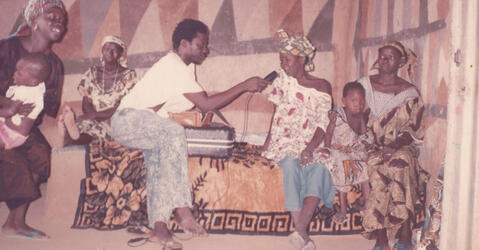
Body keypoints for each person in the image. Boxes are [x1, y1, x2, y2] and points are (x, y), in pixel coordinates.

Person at [110, 19, 269, 249]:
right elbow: (205, 103)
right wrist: (244, 85)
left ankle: (160, 229)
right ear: (184, 44)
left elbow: (198, 104)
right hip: (127, 120)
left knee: (158, 165)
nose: (206, 50)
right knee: (175, 133)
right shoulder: (173, 64)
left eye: (206, 45)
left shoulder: (186, 68)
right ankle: (183, 211)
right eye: (201, 44)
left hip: (148, 125)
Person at [260, 29, 336, 250]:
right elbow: (277, 113)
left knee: (320, 166)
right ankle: (303, 233)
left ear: (302, 59)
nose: (283, 64)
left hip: (312, 139)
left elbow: (323, 122)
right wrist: (267, 140)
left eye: (287, 59)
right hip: (285, 139)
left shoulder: (322, 86)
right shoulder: (283, 81)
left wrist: (310, 148)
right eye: (281, 59)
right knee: (291, 164)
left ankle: (300, 231)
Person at [0, 0, 66, 240]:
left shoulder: (55, 65)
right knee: (14, 164)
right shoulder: (7, 48)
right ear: (34, 20)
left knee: (44, 160)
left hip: (23, 126)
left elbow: (48, 108)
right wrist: (6, 106)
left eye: (61, 18)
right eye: (51, 16)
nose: (59, 21)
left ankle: (14, 223)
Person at [358, 41, 427, 250]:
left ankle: (405, 233)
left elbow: (415, 129)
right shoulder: (364, 85)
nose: (384, 59)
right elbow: (354, 116)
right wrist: (369, 141)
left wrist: (393, 146)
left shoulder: (410, 93)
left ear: (401, 62)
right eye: (381, 55)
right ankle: (381, 237)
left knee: (402, 162)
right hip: (370, 144)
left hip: (400, 145)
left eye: (390, 56)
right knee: (376, 164)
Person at [58, 35, 137, 145]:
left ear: (120, 54)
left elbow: (124, 107)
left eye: (115, 49)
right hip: (94, 119)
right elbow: (86, 103)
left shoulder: (129, 75)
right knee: (87, 125)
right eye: (107, 48)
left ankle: (71, 136)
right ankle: (73, 133)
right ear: (102, 51)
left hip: (117, 119)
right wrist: (93, 117)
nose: (110, 52)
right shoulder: (91, 73)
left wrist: (95, 115)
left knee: (103, 129)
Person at [313, 81, 373, 224]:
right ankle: (343, 209)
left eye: (361, 100)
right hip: (337, 149)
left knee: (366, 168)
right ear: (344, 101)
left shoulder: (361, 115)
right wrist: (328, 148)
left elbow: (364, 136)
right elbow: (328, 133)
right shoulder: (336, 115)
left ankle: (368, 204)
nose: (358, 104)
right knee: (341, 168)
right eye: (354, 100)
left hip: (353, 149)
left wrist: (366, 145)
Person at [0, 53, 50, 150]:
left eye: (19, 73)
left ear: (33, 81)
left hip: (11, 134)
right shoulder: (37, 86)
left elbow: (10, 111)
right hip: (9, 128)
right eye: (16, 70)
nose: (14, 74)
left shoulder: (24, 92)